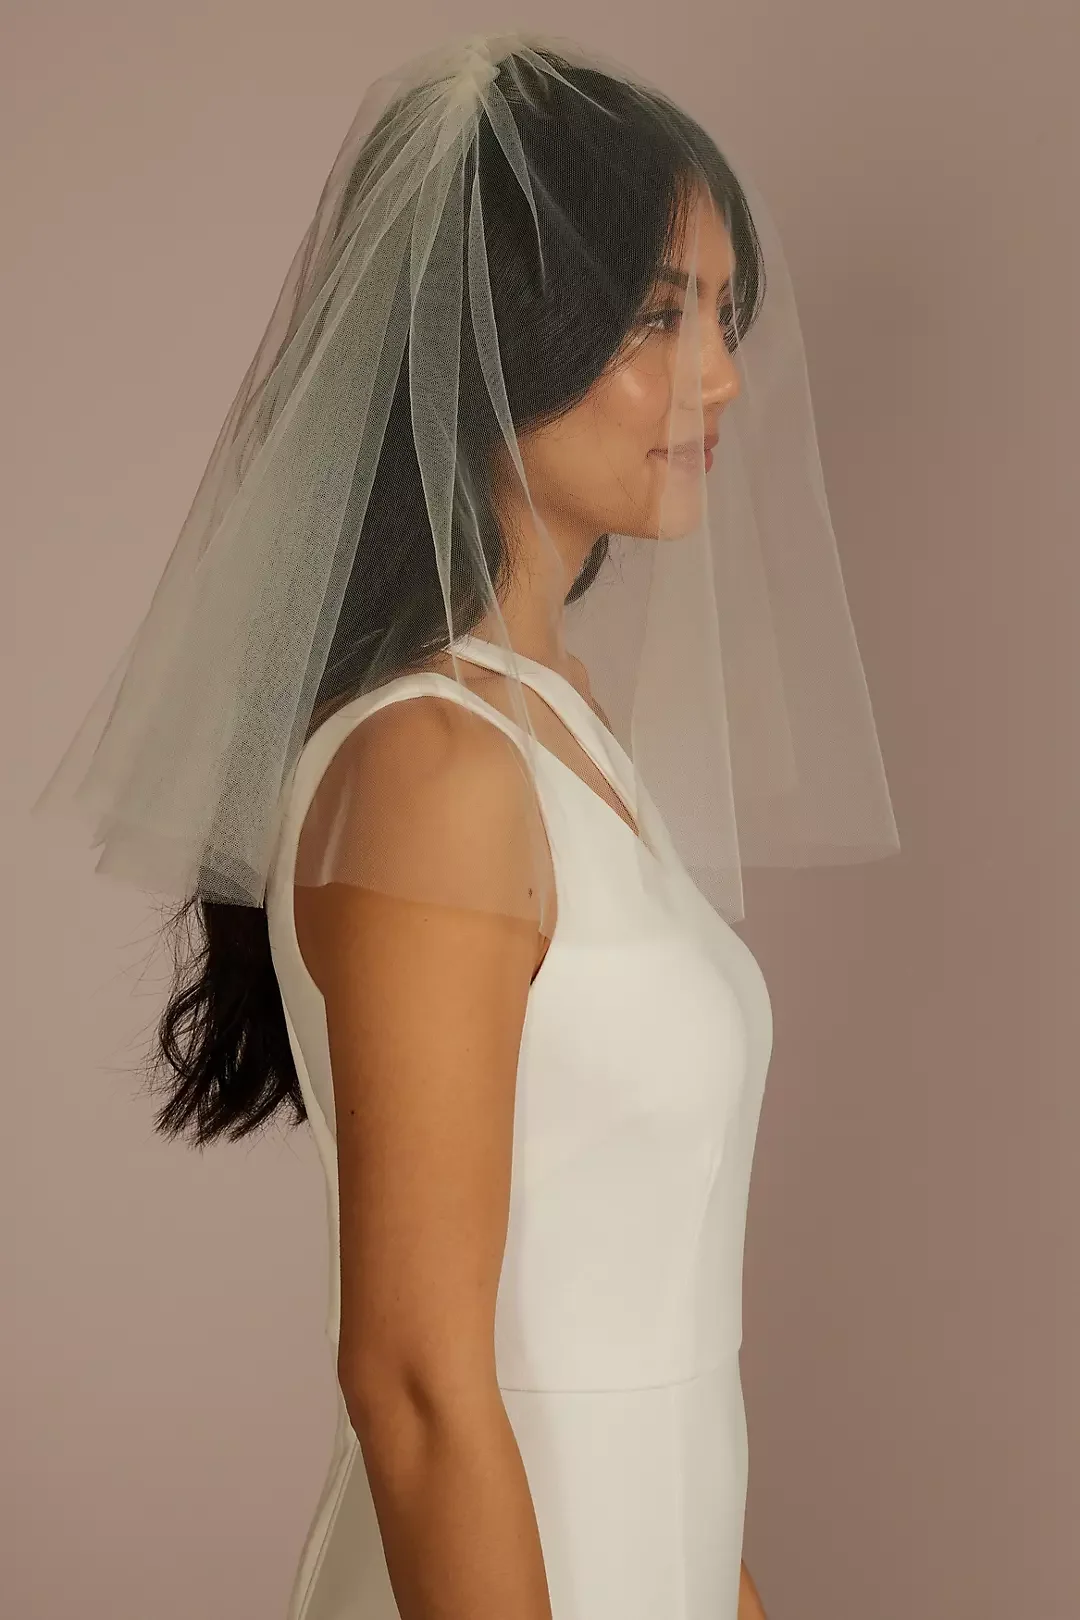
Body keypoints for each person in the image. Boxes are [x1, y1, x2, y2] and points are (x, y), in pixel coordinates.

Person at [31, 30, 900, 1620]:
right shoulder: (433, 769)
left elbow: (655, 1357)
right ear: (500, 333)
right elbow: (420, 1383)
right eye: (658, 317)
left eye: (724, 315)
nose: (720, 376)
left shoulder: (560, 734)